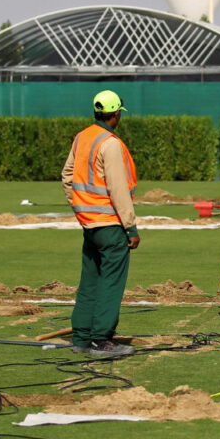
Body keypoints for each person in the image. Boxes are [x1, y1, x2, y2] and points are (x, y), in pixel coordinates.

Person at [61, 90, 140, 358]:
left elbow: (67, 176)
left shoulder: (82, 137)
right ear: (116, 114)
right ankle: (101, 340)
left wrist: (80, 208)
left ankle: (81, 337)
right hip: (111, 224)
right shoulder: (111, 143)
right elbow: (118, 188)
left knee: (90, 281)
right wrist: (130, 227)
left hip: (89, 225)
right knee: (110, 283)